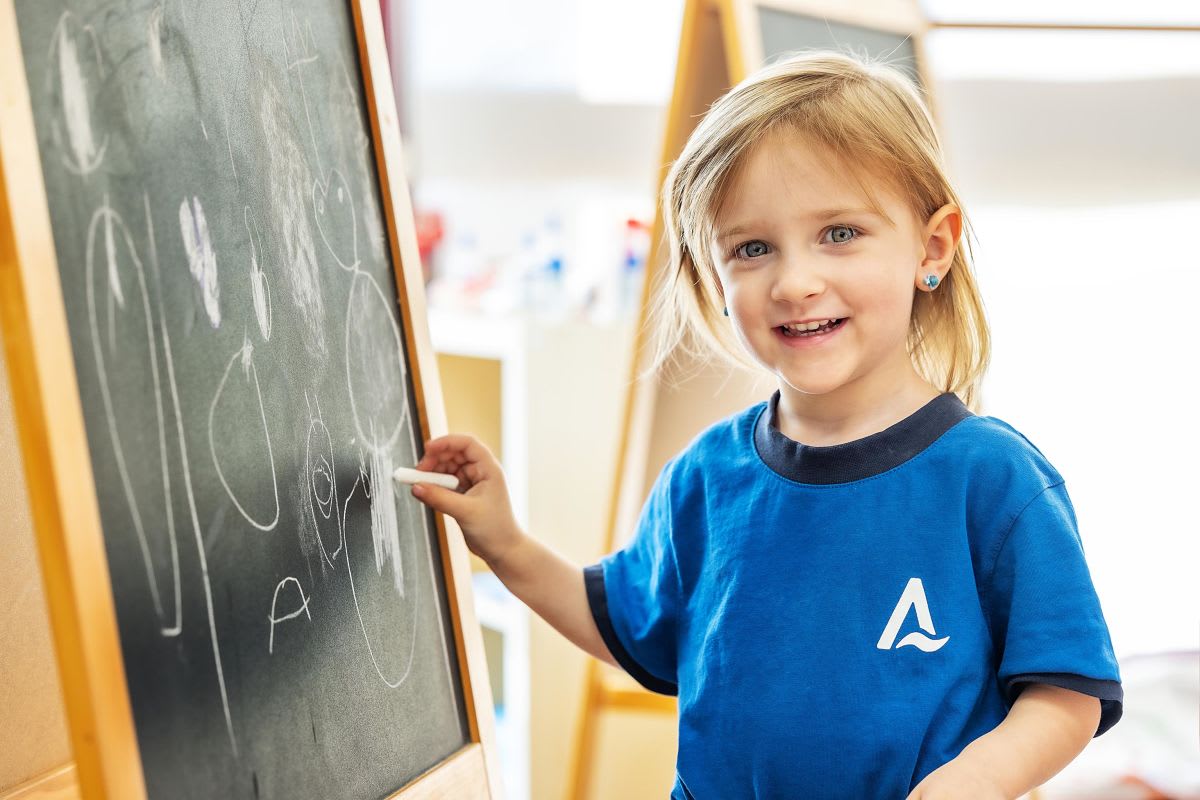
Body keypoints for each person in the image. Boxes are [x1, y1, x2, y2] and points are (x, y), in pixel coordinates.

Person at [410, 51, 1122, 799]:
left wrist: (974, 782)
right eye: (752, 249)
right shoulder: (706, 477)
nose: (794, 282)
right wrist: (505, 542)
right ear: (714, 278)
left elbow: (1068, 690)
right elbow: (624, 625)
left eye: (840, 232)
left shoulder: (993, 479)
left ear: (932, 247)